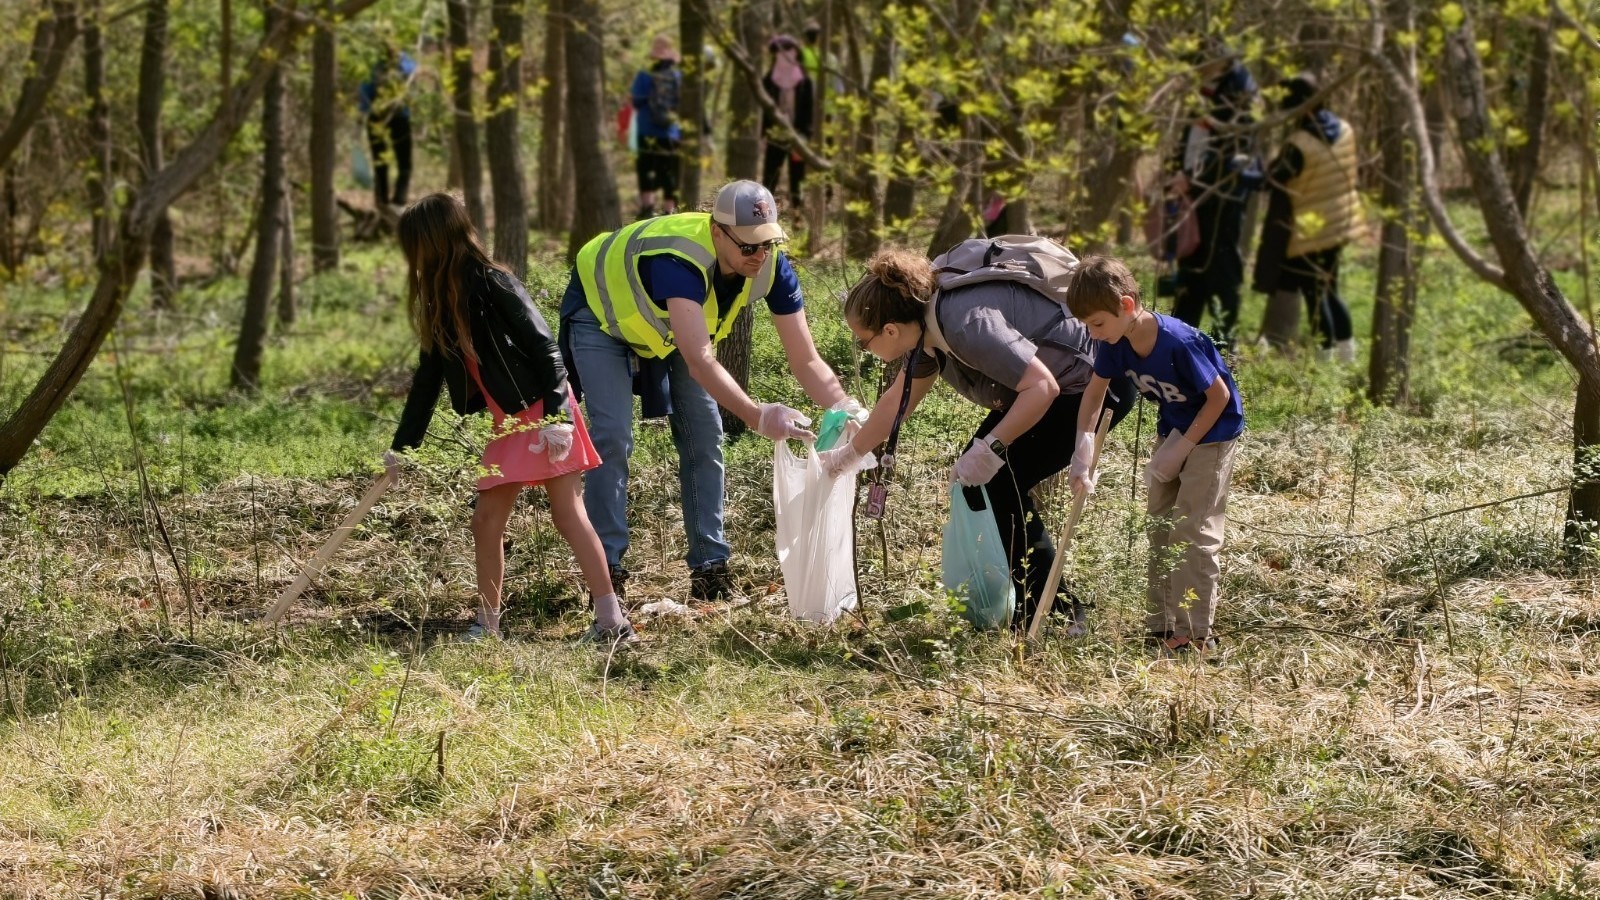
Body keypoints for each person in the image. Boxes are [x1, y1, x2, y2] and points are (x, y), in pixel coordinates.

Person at [557, 180, 863, 602]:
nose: (759, 256)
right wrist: (757, 416)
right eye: (748, 246)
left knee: (705, 435)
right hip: (603, 314)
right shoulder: (679, 260)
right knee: (613, 436)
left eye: (767, 244)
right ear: (718, 232)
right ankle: (607, 572)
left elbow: (805, 358)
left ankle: (710, 569)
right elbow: (700, 360)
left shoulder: (772, 267)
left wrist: (846, 407)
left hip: (670, 327)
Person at [817, 248, 1137, 634]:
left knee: (999, 481)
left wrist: (992, 448)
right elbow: (897, 402)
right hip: (1057, 387)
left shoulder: (964, 324)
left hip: (1094, 387)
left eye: (863, 341)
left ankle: (1058, 613)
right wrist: (847, 456)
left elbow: (1043, 388)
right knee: (991, 484)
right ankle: (1034, 606)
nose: (864, 349)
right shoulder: (924, 330)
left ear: (889, 330)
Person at [386, 193, 631, 645]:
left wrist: (558, 416)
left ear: (434, 241)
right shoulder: (440, 302)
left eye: (415, 245)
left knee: (567, 514)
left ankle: (611, 622)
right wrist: (402, 448)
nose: (411, 257)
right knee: (487, 521)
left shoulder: (494, 283)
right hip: (511, 422)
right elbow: (427, 380)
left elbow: (546, 348)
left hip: (542, 411)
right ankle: (489, 626)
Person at [1064, 256, 1244, 656]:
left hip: (1213, 434)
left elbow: (1219, 397)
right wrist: (1083, 447)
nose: (1093, 333)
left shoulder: (1178, 341)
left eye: (1097, 323)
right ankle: (1161, 626)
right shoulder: (1114, 342)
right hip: (1174, 430)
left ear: (1126, 306)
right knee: (1160, 526)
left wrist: (1184, 448)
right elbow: (1094, 393)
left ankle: (1195, 634)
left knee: (1192, 532)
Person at [1252, 73, 1363, 361]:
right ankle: (1347, 354)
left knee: (1315, 295)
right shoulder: (1346, 129)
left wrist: (1245, 172)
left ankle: (1325, 359)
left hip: (1307, 230)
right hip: (1338, 224)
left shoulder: (1299, 144)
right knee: (1330, 288)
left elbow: (1270, 180)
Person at [1167, 44, 1260, 349]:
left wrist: (1191, 179)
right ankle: (1181, 345)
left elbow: (1232, 154)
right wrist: (1176, 172)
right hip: (1192, 195)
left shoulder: (1239, 91)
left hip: (1222, 199)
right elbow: (1190, 138)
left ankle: (1223, 349)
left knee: (1221, 272)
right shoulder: (1206, 88)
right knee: (1190, 269)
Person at [359, 43, 417, 210]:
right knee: (404, 162)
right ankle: (399, 200)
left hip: (376, 116)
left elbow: (364, 90)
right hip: (401, 116)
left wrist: (364, 112)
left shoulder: (374, 64)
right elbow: (414, 77)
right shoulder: (406, 62)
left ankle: (381, 200)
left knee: (380, 161)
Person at [631, 35, 683, 220]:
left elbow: (636, 101)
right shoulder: (678, 76)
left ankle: (648, 207)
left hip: (646, 130)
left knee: (646, 167)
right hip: (671, 131)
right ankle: (670, 210)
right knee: (669, 170)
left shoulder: (644, 75)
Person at [761, 35, 814, 209]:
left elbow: (809, 112)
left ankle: (797, 213)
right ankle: (764, 212)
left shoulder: (805, 82)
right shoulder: (768, 81)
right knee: (770, 175)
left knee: (797, 177)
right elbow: (765, 111)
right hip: (775, 135)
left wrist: (805, 136)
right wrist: (764, 134)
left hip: (797, 135)